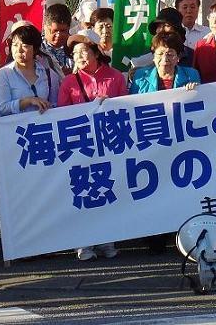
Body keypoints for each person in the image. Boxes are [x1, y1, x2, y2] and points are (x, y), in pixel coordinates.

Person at [58, 35, 127, 261]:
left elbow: (127, 107)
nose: (78, 57)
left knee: (108, 188)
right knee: (83, 189)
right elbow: (61, 113)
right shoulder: (69, 82)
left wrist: (113, 104)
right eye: (75, 54)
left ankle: (108, 240)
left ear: (96, 53)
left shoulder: (115, 77)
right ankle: (83, 243)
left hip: (109, 142)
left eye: (83, 52)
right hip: (81, 144)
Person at [129, 31, 200, 252]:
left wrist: (194, 93)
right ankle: (156, 238)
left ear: (178, 56)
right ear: (153, 54)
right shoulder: (140, 78)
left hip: (183, 142)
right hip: (152, 143)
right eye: (160, 53)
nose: (165, 59)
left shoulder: (191, 75)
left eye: (170, 54)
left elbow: (202, 106)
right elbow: (130, 108)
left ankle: (185, 236)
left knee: (182, 189)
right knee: (155, 189)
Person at [0, 22, 62, 116]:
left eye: (25, 46)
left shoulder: (49, 74)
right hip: (16, 128)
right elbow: (2, 108)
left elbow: (56, 105)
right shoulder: (5, 73)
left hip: (42, 127)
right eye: (15, 45)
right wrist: (28, 101)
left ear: (35, 49)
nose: (19, 50)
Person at [41, 4, 74, 75]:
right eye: (54, 31)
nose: (58, 35)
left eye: (63, 31)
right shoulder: (37, 49)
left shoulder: (76, 47)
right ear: (45, 27)